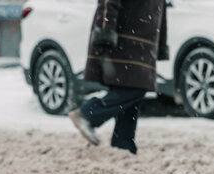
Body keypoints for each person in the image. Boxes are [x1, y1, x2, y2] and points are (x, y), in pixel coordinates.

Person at [68, 0, 168, 155]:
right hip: (124, 38)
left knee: (129, 92)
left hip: (142, 42)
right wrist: (105, 31)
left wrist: (160, 44)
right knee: (136, 88)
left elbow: (160, 9)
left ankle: (123, 146)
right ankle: (87, 115)